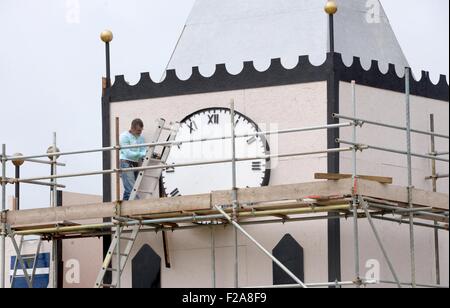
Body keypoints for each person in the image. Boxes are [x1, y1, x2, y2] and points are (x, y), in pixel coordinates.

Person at [120, 118, 146, 200]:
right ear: (132, 128)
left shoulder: (141, 138)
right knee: (131, 189)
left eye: (141, 130)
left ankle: (123, 210)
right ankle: (139, 205)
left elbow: (144, 150)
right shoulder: (124, 136)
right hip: (126, 163)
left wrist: (142, 154)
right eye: (138, 130)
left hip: (135, 164)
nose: (140, 132)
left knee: (129, 189)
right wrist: (140, 155)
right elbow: (127, 153)